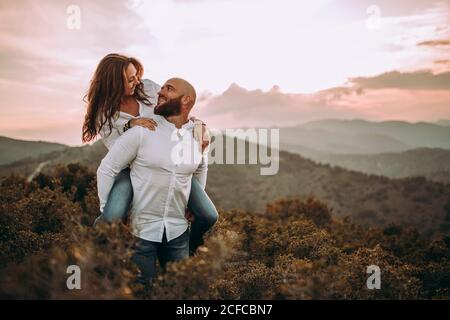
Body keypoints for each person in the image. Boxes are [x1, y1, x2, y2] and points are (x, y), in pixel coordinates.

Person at [82, 53, 218, 254]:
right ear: (113, 84)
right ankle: (100, 259)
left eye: (136, 75)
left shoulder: (147, 87)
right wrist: (130, 125)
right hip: (133, 167)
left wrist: (199, 123)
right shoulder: (104, 116)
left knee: (208, 214)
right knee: (111, 217)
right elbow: (117, 152)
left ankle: (192, 245)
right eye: (130, 79)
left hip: (168, 159)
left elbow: (174, 108)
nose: (137, 82)